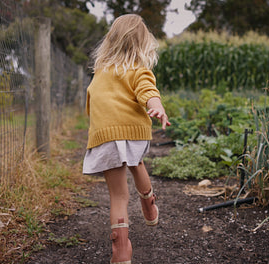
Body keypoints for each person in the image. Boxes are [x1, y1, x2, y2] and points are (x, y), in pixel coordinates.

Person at [82, 14, 170, 264]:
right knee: (136, 162)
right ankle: (149, 203)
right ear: (143, 44)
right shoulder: (138, 70)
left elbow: (91, 102)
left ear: (111, 41)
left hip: (105, 136)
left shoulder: (100, 73)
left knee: (118, 196)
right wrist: (157, 107)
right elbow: (148, 91)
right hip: (132, 133)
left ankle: (121, 250)